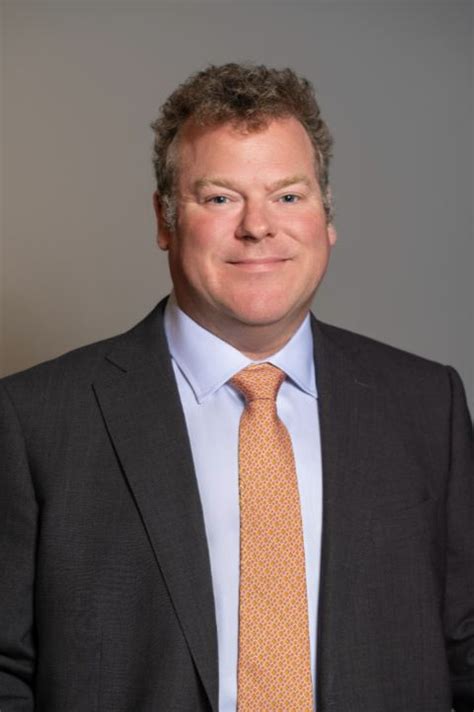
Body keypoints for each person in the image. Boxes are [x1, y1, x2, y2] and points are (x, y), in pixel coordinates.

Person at [0, 63, 472, 712]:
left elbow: (464, 647)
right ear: (165, 220)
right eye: (221, 198)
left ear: (327, 217)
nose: (258, 227)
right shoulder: (35, 420)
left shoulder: (426, 405)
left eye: (288, 196)